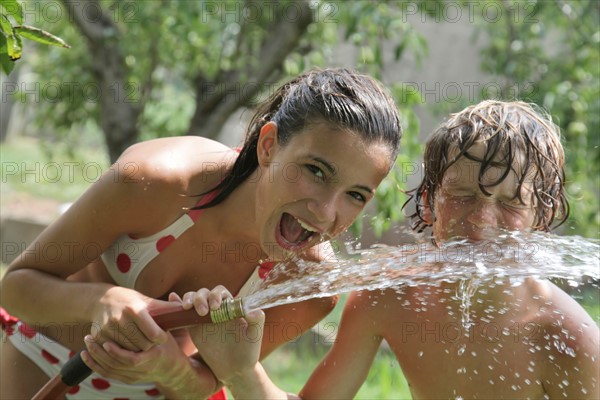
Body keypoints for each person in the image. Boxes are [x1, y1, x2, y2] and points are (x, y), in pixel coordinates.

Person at [0, 67, 403, 399]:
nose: (327, 212)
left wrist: (167, 367)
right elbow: (16, 286)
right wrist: (103, 300)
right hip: (43, 364)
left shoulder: (308, 282)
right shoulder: (154, 181)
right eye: (316, 171)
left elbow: (208, 381)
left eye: (355, 195)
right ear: (269, 146)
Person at [188, 100, 599, 399]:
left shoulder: (567, 338)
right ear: (428, 203)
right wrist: (241, 372)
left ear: (540, 219)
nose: (482, 219)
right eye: (462, 194)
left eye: (510, 203)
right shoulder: (388, 297)